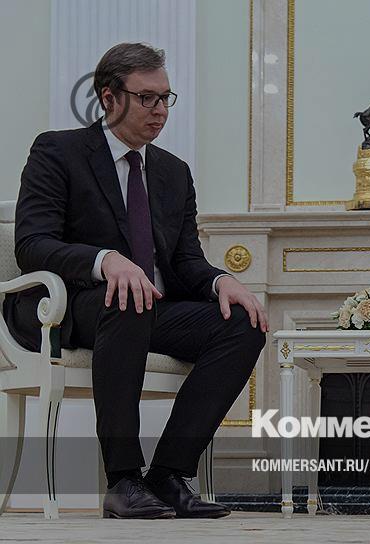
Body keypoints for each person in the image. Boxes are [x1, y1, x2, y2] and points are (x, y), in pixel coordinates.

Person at [3, 43, 268, 519]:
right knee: (127, 298)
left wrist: (220, 281)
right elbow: (33, 244)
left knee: (242, 323)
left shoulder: (174, 172)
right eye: (147, 98)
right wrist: (105, 260)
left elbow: (185, 260)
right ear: (109, 98)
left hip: (147, 308)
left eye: (166, 98)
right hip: (67, 307)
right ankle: (123, 479)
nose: (160, 110)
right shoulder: (58, 151)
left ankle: (168, 474)